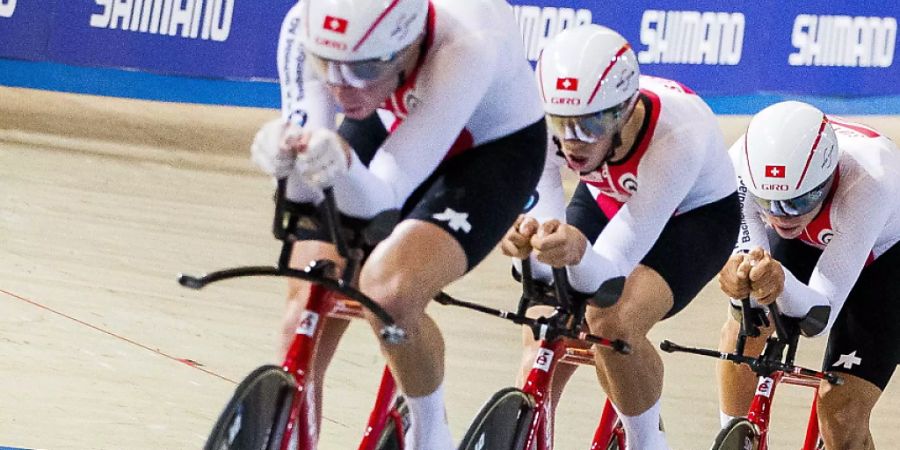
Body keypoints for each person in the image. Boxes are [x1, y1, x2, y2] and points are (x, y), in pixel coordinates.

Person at [249, 0, 548, 448]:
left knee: (390, 293)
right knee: (309, 285)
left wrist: (340, 166)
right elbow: (305, 189)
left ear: (408, 46)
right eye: (326, 66)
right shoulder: (309, 26)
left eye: (362, 69)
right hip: (388, 115)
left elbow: (383, 200)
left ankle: (431, 433)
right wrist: (282, 156)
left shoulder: (465, 46)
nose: (341, 88)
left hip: (489, 149)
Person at [500, 24, 741, 449]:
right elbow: (546, 224)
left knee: (612, 323)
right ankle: (535, 434)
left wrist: (574, 252)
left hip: (694, 218)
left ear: (625, 110)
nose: (573, 142)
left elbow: (608, 275)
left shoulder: (678, 132)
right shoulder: (543, 117)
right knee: (545, 314)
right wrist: (532, 239)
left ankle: (645, 442)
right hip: (609, 195)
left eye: (591, 125)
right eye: (563, 125)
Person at [716, 101, 900, 449]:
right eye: (768, 203)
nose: (782, 217)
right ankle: (733, 436)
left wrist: (780, 281)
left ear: (828, 178)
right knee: (745, 319)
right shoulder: (740, 163)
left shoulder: (871, 180)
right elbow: (748, 268)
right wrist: (740, 277)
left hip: (887, 258)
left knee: (841, 411)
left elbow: (817, 319)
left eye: (798, 201)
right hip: (812, 240)